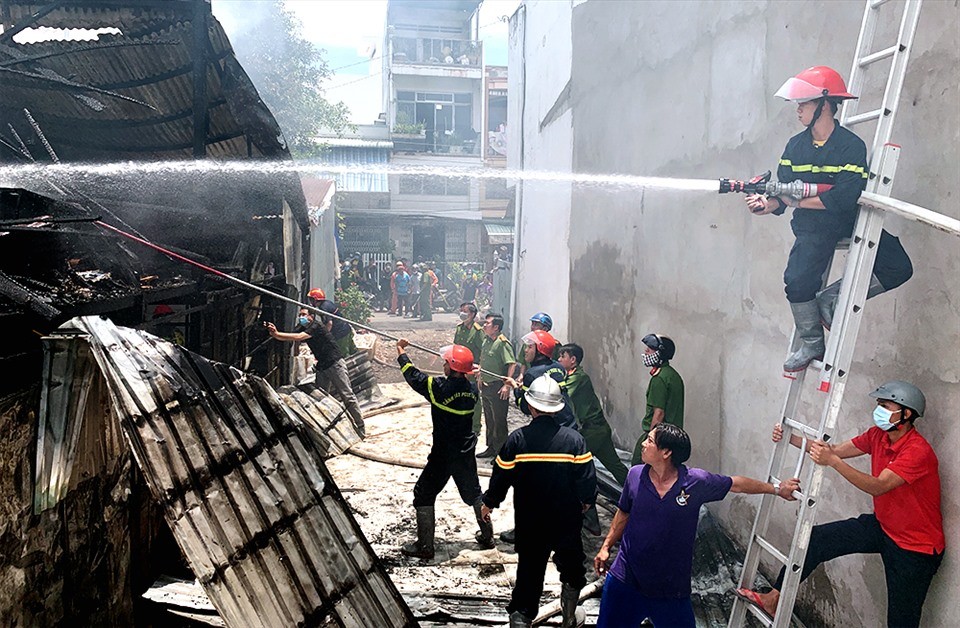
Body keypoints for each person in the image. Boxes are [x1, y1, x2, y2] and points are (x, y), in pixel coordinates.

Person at [734, 381, 943, 627]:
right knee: (818, 538)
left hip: (915, 548)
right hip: (884, 528)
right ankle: (774, 599)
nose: (879, 410)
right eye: (879, 405)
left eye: (885, 406)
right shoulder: (877, 435)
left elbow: (878, 485)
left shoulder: (918, 451)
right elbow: (833, 450)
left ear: (906, 414)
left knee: (901, 621)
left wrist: (832, 461)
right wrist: (791, 439)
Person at [745, 66, 913, 372]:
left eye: (804, 104)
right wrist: (767, 204)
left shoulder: (850, 146)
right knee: (797, 282)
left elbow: (845, 196)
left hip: (848, 219)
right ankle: (811, 341)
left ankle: (831, 299)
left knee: (898, 265)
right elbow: (782, 192)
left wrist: (796, 199)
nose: (798, 110)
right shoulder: (795, 148)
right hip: (812, 227)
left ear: (825, 105)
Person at [594, 424, 799, 628]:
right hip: (626, 579)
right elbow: (623, 512)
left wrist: (777, 489)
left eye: (649, 440)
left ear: (666, 452)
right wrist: (606, 546)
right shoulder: (635, 475)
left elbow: (736, 483)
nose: (643, 444)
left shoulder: (695, 482)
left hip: (670, 588)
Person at [480, 375, 597, 628]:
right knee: (573, 569)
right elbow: (587, 480)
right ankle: (569, 618)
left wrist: (489, 502)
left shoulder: (517, 440)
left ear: (531, 407)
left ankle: (521, 618)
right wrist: (586, 502)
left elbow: (501, 478)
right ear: (558, 408)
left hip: (530, 521)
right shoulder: (574, 441)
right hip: (566, 521)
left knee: (529, 574)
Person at [395, 339, 494, 559]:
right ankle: (487, 536)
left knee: (423, 494)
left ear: (452, 366)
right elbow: (467, 380)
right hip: (465, 451)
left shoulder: (438, 387)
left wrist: (401, 352)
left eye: (446, 362)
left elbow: (414, 377)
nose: (443, 365)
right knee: (474, 495)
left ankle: (425, 547)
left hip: (443, 454)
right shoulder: (471, 390)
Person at [266, 307, 364, 436]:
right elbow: (292, 335)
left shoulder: (316, 326)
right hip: (322, 366)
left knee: (346, 395)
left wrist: (277, 335)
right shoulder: (303, 326)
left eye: (304, 315)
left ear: (311, 316)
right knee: (321, 398)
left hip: (335, 363)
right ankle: (328, 428)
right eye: (300, 314)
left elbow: (299, 336)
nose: (301, 317)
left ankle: (360, 425)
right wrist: (274, 331)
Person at [558, 343, 629, 486]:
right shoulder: (569, 376)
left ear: (573, 360)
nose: (559, 359)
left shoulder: (579, 378)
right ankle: (635, 492)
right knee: (615, 466)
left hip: (592, 431)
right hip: (598, 429)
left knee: (569, 462)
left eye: (562, 356)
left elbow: (561, 394)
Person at [630, 333, 684, 465]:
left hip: (659, 437)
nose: (646, 351)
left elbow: (659, 413)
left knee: (638, 467)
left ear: (661, 353)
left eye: (651, 348)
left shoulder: (659, 379)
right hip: (671, 437)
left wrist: (651, 439)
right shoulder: (672, 375)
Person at [475, 313, 516, 459]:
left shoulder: (502, 343)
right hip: (486, 385)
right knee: (489, 419)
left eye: (487, 323)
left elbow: (511, 363)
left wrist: (507, 385)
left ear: (496, 327)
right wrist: (480, 374)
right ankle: (491, 448)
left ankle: (501, 452)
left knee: (499, 420)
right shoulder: (486, 340)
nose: (484, 325)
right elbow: (482, 358)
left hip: (498, 387)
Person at [454, 302, 486, 432]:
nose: (462, 313)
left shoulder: (478, 331)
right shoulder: (459, 328)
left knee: (474, 398)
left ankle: (475, 426)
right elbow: (455, 347)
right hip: (459, 369)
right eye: (461, 310)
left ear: (472, 314)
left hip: (472, 370)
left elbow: (484, 351)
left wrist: (480, 368)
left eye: (465, 311)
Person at [307, 288, 357, 358]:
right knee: (354, 352)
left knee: (343, 355)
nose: (310, 302)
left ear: (314, 299)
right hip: (346, 329)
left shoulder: (323, 307)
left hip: (340, 334)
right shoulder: (327, 303)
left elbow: (329, 323)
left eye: (310, 299)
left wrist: (325, 335)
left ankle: (348, 368)